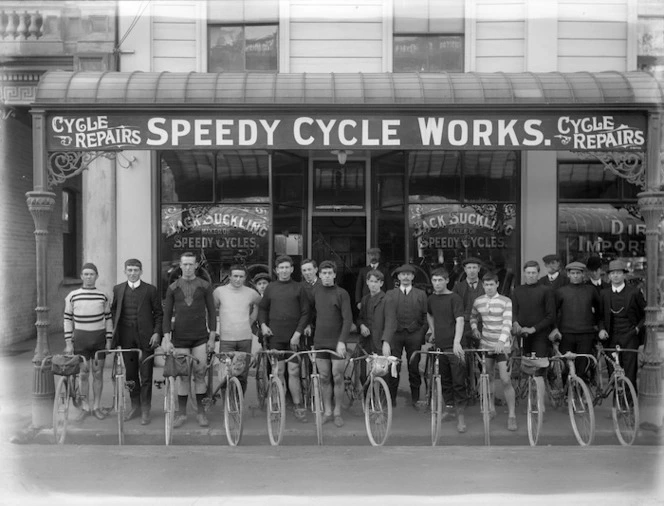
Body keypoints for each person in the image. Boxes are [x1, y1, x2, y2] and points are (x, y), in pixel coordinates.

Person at [162, 252, 216, 428]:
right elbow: (167, 315)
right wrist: (167, 339)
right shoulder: (173, 288)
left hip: (200, 337)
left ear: (195, 266)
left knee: (200, 375)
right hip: (180, 339)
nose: (187, 267)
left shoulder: (205, 286)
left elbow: (212, 312)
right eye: (184, 264)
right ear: (180, 265)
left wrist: (212, 337)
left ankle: (201, 413)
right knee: (184, 377)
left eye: (191, 264)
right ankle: (182, 413)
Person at [258, 255, 310, 422]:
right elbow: (262, 309)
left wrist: (298, 333)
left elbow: (305, 313)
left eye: (287, 267)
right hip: (275, 338)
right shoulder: (271, 288)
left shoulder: (299, 288)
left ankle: (297, 405)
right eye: (281, 268)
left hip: (294, 338)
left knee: (294, 372)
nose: (284, 270)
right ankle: (277, 405)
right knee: (278, 372)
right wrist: (263, 325)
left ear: (292, 269)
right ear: (276, 270)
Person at [111, 258, 163, 425]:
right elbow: (114, 311)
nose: (132, 273)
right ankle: (135, 406)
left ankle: (146, 409)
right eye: (130, 270)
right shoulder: (118, 289)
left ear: (141, 272)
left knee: (146, 375)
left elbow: (159, 314)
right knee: (131, 374)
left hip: (146, 339)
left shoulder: (150, 290)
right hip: (127, 338)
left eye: (136, 270)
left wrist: (156, 333)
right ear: (125, 271)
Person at [63, 263, 113, 421]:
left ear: (97, 276)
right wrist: (68, 343)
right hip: (80, 340)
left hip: (98, 340)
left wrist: (109, 340)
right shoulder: (72, 295)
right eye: (86, 274)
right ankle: (85, 407)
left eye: (92, 274)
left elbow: (108, 319)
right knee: (83, 374)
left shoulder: (103, 295)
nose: (89, 277)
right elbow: (67, 320)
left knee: (98, 374)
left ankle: (97, 406)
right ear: (81, 276)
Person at [470, 272, 517, 431]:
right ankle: (491, 408)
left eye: (492, 284)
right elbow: (473, 317)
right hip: (486, 345)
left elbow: (507, 323)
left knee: (505, 379)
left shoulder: (506, 301)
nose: (489, 287)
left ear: (497, 285)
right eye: (486, 285)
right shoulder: (478, 301)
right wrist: (475, 328)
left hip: (502, 345)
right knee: (488, 377)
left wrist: (501, 341)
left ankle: (512, 415)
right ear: (483, 285)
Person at [511, 260, 555, 417]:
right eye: (528, 272)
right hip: (522, 335)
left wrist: (534, 329)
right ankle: (530, 395)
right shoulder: (517, 291)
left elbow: (551, 315)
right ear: (524, 273)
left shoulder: (546, 290)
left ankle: (540, 403)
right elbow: (513, 312)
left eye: (534, 272)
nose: (530, 275)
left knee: (539, 371)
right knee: (527, 368)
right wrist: (516, 324)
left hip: (540, 335)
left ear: (538, 273)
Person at [311, 260, 352, 427]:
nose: (326, 276)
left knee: (337, 375)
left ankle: (337, 412)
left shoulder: (341, 293)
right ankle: (327, 411)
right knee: (324, 377)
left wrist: (342, 341)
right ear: (319, 275)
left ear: (334, 274)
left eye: (330, 273)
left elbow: (348, 319)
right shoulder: (315, 291)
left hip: (337, 342)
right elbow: (309, 312)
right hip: (320, 340)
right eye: (324, 273)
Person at [382, 264, 429, 409]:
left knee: (414, 367)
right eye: (403, 274)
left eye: (409, 274)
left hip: (414, 334)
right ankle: (392, 399)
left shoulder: (421, 294)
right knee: (393, 366)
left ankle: (415, 399)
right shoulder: (390, 294)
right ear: (398, 277)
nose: (406, 277)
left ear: (413, 277)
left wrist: (421, 333)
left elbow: (426, 316)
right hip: (395, 335)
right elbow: (386, 316)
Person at [426, 268, 466, 432]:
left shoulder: (454, 298)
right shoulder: (431, 299)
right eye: (434, 280)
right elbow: (429, 314)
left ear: (447, 280)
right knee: (444, 380)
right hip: (440, 345)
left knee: (458, 381)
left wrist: (457, 342)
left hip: (454, 346)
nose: (437, 283)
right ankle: (449, 408)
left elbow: (460, 320)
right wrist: (433, 331)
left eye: (440, 280)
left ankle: (461, 415)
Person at [549, 261, 600, 386]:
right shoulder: (561, 292)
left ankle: (581, 393)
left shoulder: (591, 290)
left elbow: (599, 310)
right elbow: (553, 313)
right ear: (568, 274)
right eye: (573, 273)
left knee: (582, 366)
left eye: (578, 273)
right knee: (566, 367)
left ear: (583, 275)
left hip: (586, 334)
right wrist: (555, 328)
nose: (575, 276)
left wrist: (596, 325)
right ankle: (568, 394)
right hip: (566, 334)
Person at [598, 260, 645, 391]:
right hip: (611, 336)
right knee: (613, 371)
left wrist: (637, 329)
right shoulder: (604, 294)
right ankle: (617, 401)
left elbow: (645, 315)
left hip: (630, 336)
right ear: (609, 276)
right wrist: (601, 329)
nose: (616, 276)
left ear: (624, 275)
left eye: (618, 273)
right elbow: (600, 316)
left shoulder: (634, 292)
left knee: (630, 372)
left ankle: (629, 402)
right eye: (613, 273)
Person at [213, 265, 261, 394]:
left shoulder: (251, 293)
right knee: (225, 374)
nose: (238, 279)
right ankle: (226, 407)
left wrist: (251, 320)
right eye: (235, 276)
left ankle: (238, 404)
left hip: (245, 339)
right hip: (226, 340)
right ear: (229, 277)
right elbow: (211, 310)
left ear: (245, 278)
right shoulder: (219, 292)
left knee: (242, 374)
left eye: (241, 277)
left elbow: (260, 304)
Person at [452, 257, 485, 398]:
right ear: (464, 270)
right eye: (469, 268)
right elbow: (453, 307)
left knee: (484, 358)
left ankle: (484, 391)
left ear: (479, 269)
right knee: (463, 359)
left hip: (482, 325)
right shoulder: (458, 287)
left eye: (474, 267)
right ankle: (466, 389)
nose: (471, 271)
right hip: (464, 325)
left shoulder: (486, 286)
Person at [301, 258, 319, 348]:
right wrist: (307, 324)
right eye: (304, 270)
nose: (307, 273)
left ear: (316, 269)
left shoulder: (324, 285)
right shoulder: (300, 287)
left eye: (309, 269)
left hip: (322, 325)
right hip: (306, 327)